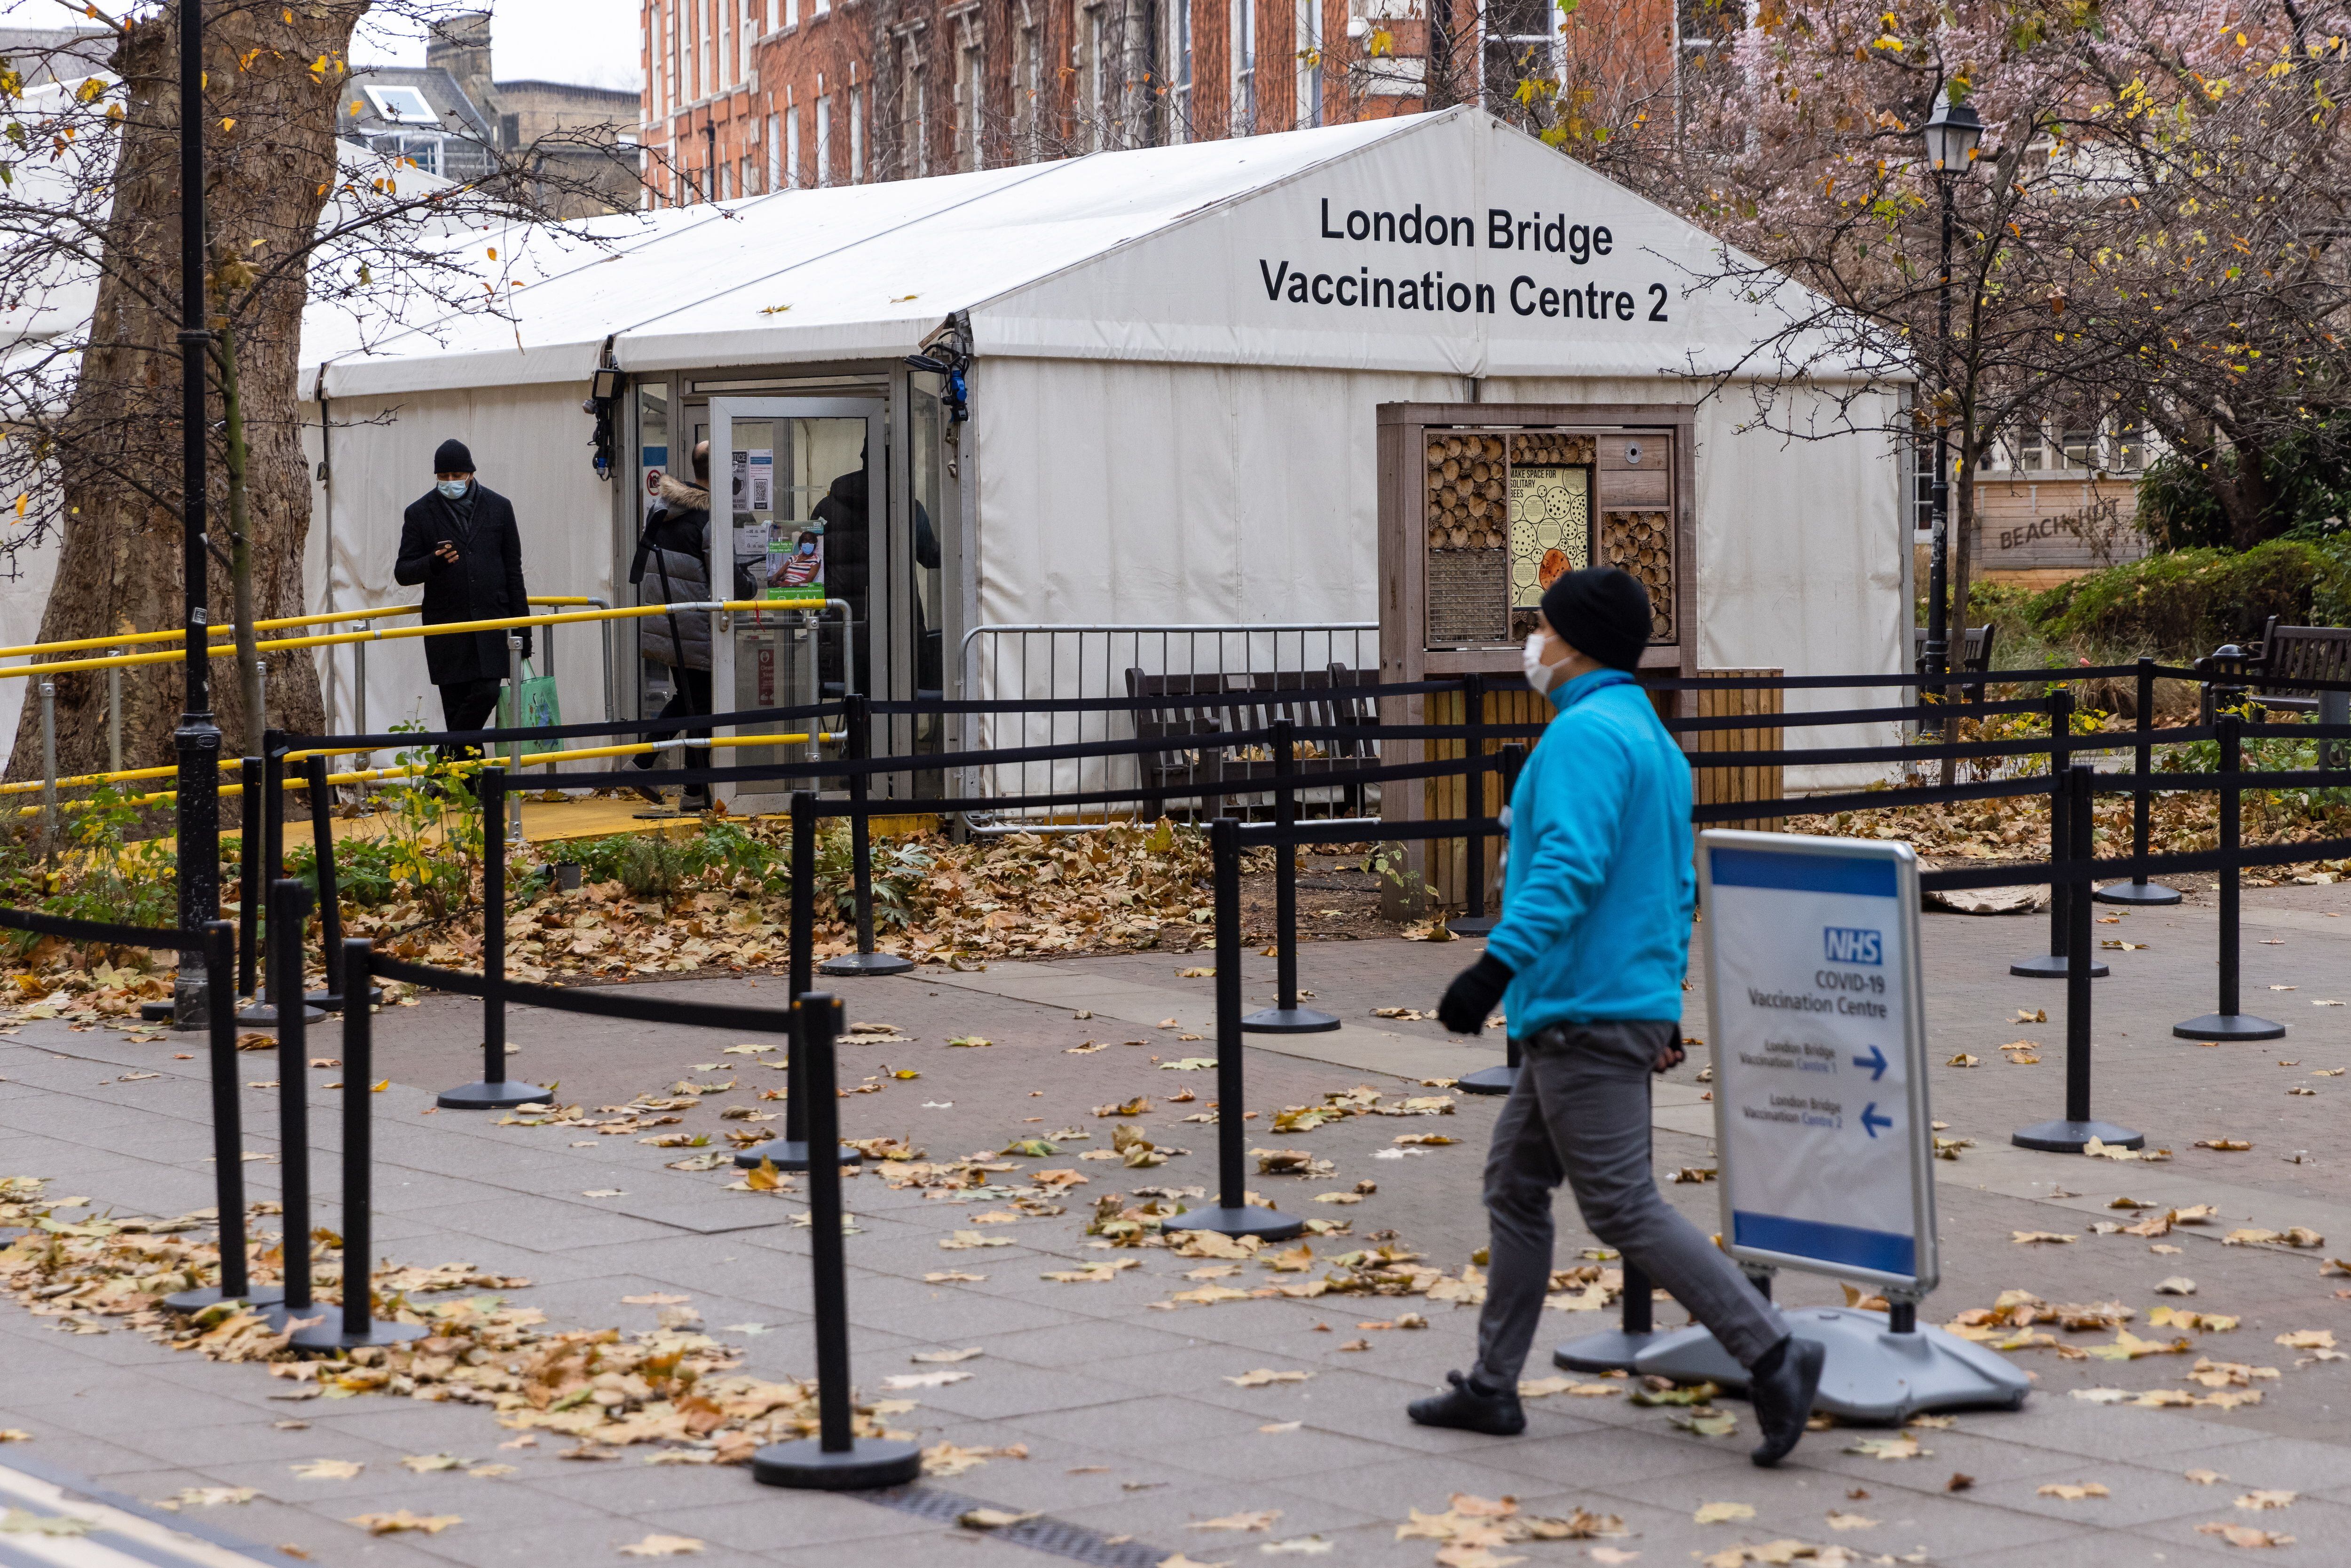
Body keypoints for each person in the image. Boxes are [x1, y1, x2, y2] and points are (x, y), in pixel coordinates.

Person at [1410, 567, 1825, 1468]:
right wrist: (1664, 1003)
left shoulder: (1584, 736)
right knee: (1514, 1185)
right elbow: (1674, 887)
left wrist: (1492, 970)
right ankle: (1493, 1386)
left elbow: (1570, 867)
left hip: (1581, 1009)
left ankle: (1773, 1353)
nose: (1535, 644)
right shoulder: (1652, 739)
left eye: (1545, 630)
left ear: (1578, 644)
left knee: (1622, 1205)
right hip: (1611, 1004)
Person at [393, 439, 530, 780]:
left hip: (492, 623)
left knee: (486, 693)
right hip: (447, 628)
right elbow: (403, 571)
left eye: (457, 475)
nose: (451, 481)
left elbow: (513, 571)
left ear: (471, 474)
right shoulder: (420, 512)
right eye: (444, 476)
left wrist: (523, 630)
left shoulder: (499, 507)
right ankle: (474, 795)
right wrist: (433, 563)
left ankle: (438, 771)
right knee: (458, 712)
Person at [630, 440, 714, 811]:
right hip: (694, 627)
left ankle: (684, 786)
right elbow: (724, 577)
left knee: (692, 701)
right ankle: (652, 771)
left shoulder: (663, 509)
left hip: (666, 623)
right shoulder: (706, 519)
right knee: (699, 704)